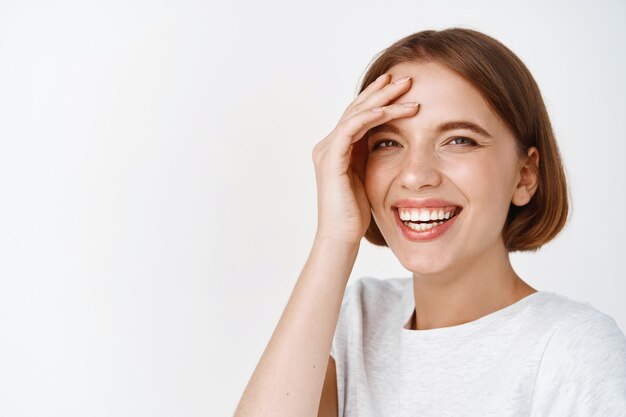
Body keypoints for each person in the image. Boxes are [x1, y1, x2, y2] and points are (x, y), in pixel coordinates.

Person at [233, 28, 626, 417]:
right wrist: (334, 239)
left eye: (459, 140)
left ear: (524, 175)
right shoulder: (358, 317)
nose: (415, 175)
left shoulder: (573, 349)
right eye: (388, 143)